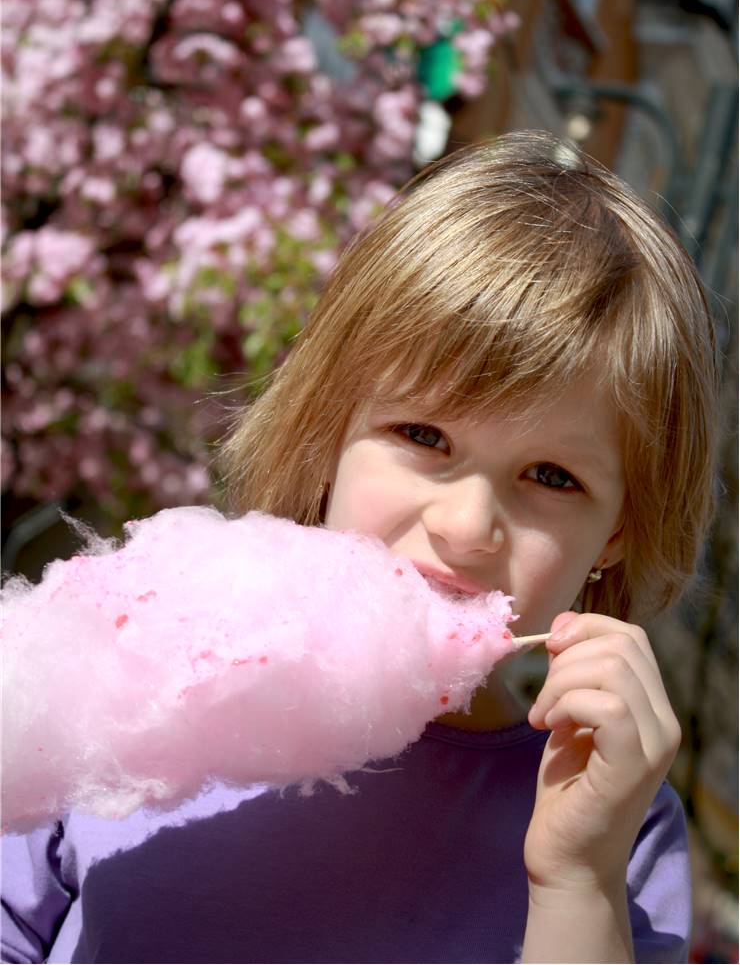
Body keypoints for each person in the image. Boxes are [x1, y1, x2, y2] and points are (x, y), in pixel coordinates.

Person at [2, 130, 719, 964]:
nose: (465, 525)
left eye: (553, 477)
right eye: (424, 434)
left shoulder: (614, 820)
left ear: (617, 534)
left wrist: (577, 883)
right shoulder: (131, 676)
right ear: (330, 428)